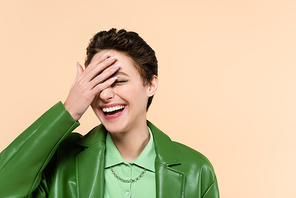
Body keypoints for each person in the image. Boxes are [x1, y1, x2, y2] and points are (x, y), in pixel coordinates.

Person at [0, 28, 219, 198]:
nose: (105, 94)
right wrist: (69, 110)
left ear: (151, 84)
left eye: (119, 81)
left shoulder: (196, 170)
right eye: (96, 83)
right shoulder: (60, 160)